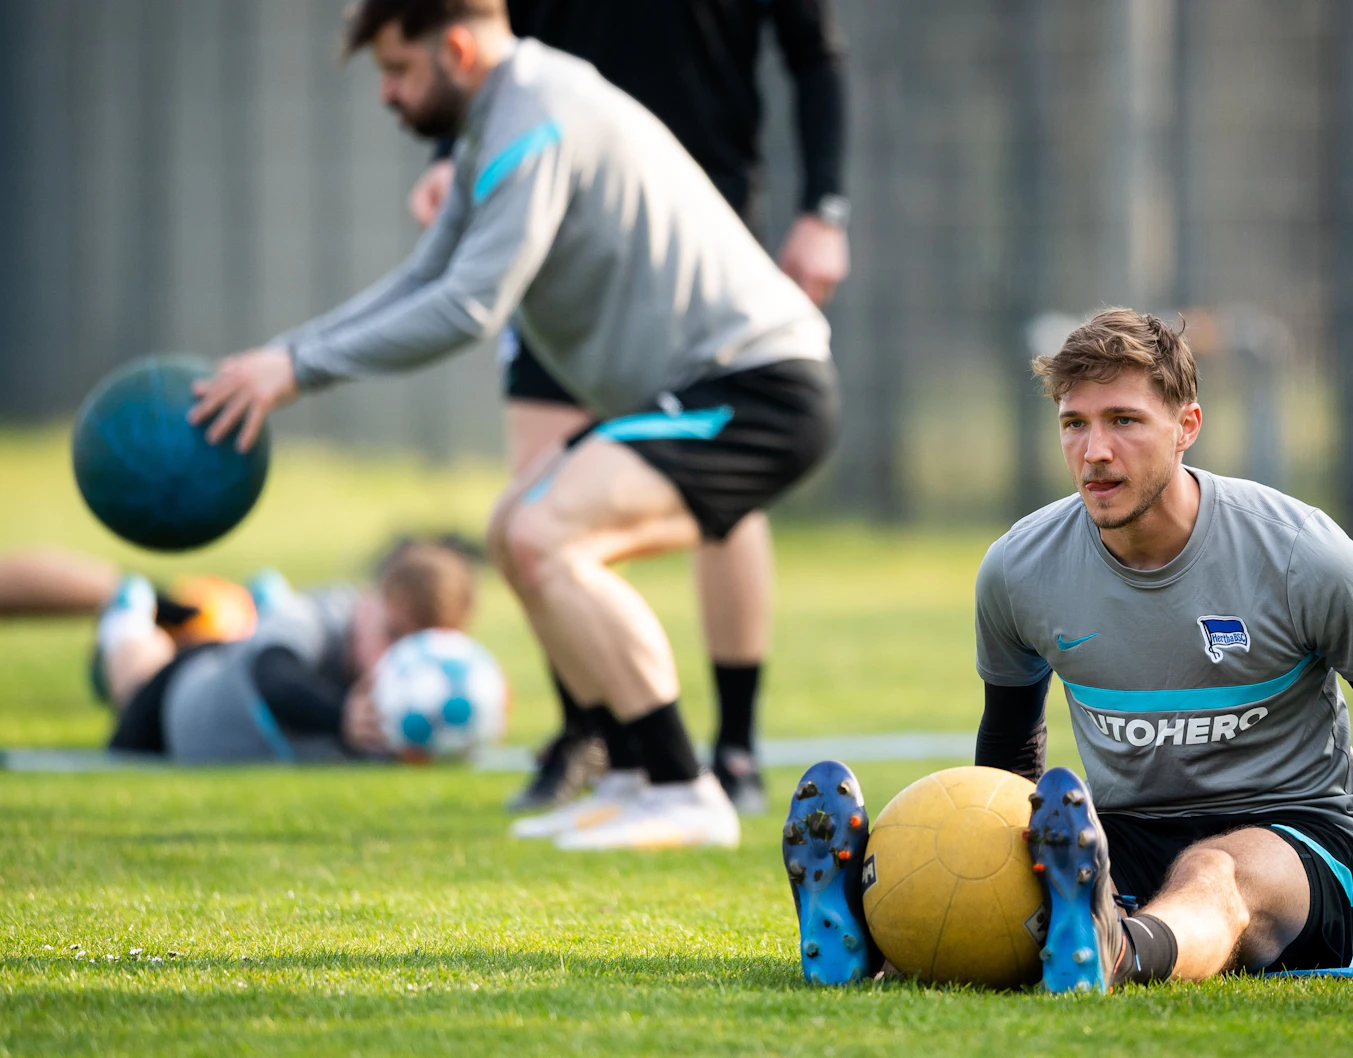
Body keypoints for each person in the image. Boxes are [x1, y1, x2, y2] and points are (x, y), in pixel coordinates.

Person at [189, 0, 838, 849]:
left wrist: (300, 369)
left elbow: (467, 306)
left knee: (547, 536)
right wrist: (287, 354)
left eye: (397, 70)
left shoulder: (536, 119)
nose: (388, 95)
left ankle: (689, 788)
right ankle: (638, 774)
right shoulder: (500, 115)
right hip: (713, 387)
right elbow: (428, 273)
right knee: (513, 530)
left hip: (760, 389)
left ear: (456, 47)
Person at [781, 310, 1353, 989]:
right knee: (1003, 891)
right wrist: (983, 858)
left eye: (1124, 421)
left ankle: (1119, 948)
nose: (1095, 452)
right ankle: (867, 937)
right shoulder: (1019, 569)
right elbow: (1010, 747)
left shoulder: (1304, 558)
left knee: (1215, 871)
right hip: (1114, 839)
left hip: (1298, 844)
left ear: (1187, 427)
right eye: (1074, 425)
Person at [406, 0, 850, 818]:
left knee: (714, 491)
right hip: (556, 215)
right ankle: (605, 742)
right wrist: (453, 149)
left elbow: (814, 56)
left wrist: (824, 206)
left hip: (696, 217)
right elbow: (474, 36)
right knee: (534, 509)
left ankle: (731, 751)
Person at [95, 542, 476, 763]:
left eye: (417, 645)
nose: (398, 657)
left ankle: (264, 605)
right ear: (369, 605)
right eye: (392, 634)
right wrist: (341, 716)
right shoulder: (325, 614)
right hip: (186, 694)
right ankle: (128, 617)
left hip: (241, 657)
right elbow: (272, 673)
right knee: (131, 690)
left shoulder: (424, 683)